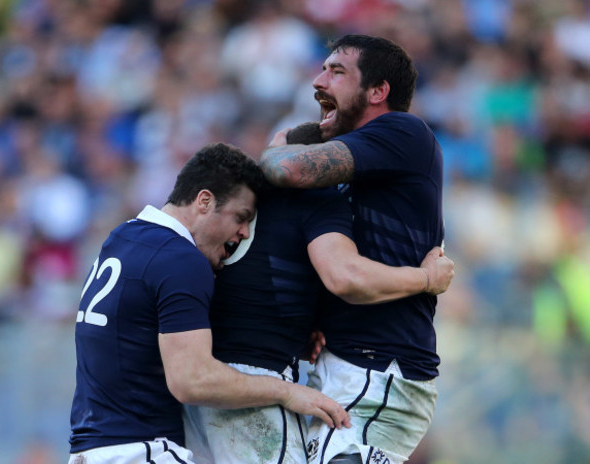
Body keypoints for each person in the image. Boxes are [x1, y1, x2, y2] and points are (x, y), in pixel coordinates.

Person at [68, 142, 350, 464]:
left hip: (92, 450)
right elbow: (192, 380)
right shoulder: (181, 259)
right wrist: (286, 391)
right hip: (142, 451)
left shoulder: (123, 237)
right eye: (240, 217)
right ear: (204, 201)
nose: (243, 233)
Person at [182, 131, 454, 463]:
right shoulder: (316, 198)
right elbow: (345, 276)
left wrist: (308, 322)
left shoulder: (227, 204)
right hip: (254, 391)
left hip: (199, 389)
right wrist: (426, 279)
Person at [259, 35, 448, 464]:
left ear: (378, 91)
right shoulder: (367, 169)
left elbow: (286, 168)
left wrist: (281, 143)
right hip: (353, 365)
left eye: (337, 71)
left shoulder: (403, 130)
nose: (319, 80)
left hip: (377, 369)